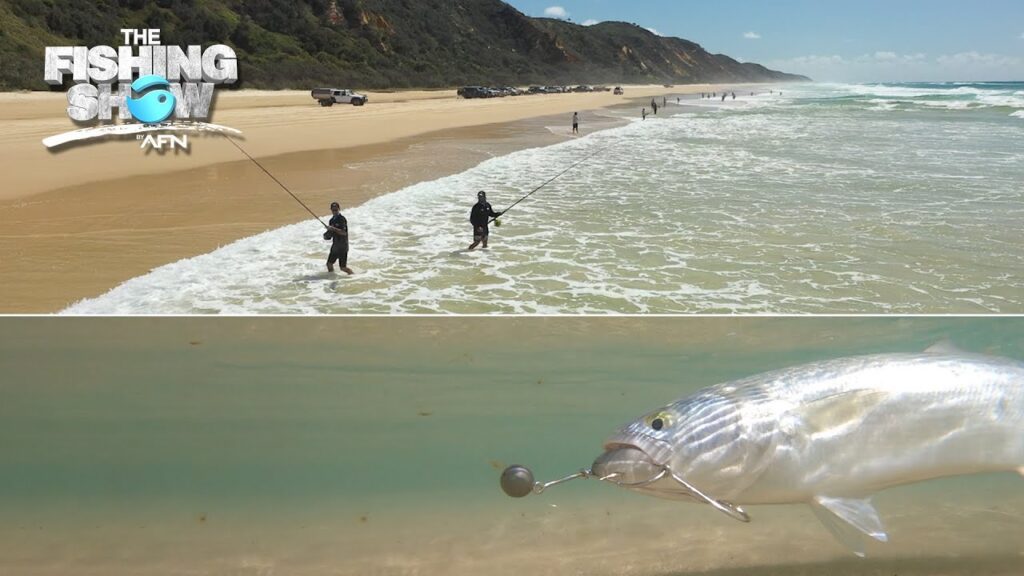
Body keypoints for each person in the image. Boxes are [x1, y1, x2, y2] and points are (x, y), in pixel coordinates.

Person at [325, 201, 353, 274]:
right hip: (335, 246)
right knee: (329, 264)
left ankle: (353, 276)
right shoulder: (331, 221)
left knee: (343, 268)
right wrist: (326, 235)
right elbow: (330, 235)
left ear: (339, 209)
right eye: (333, 210)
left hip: (343, 246)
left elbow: (343, 233)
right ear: (331, 210)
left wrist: (333, 228)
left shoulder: (342, 219)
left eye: (336, 210)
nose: (334, 211)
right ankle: (332, 278)